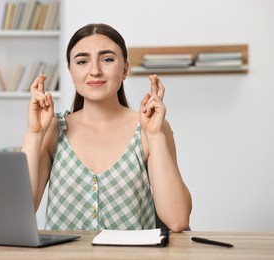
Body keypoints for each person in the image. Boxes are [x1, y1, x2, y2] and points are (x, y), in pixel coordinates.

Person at [22, 23, 192, 232]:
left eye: (108, 59)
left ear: (125, 69)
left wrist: (155, 135)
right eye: (82, 61)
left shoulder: (150, 128)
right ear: (71, 71)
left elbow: (178, 220)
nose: (95, 71)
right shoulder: (53, 129)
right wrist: (34, 134)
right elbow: (19, 214)